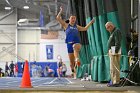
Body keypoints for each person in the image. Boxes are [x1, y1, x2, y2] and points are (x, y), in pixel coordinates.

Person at [56, 6, 95, 79]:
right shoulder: (65, 25)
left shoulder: (77, 27)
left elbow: (85, 28)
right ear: (69, 19)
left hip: (77, 43)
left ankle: (77, 59)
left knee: (75, 47)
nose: (73, 19)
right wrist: (61, 11)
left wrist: (91, 22)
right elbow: (58, 18)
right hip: (69, 45)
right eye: (72, 18)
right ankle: (74, 72)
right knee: (71, 63)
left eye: (74, 18)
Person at [105, 22, 122, 87]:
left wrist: (115, 51)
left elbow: (118, 42)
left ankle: (116, 82)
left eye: (107, 28)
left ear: (111, 26)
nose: (107, 29)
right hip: (112, 51)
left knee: (115, 67)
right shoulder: (113, 32)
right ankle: (113, 81)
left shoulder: (116, 31)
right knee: (112, 68)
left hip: (114, 51)